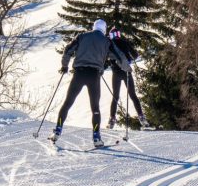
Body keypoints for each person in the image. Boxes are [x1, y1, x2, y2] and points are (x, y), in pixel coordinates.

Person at [51, 19, 130, 147]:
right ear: (104, 29)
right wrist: (126, 68)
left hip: (79, 74)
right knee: (95, 108)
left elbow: (68, 50)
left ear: (94, 27)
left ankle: (58, 131)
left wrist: (64, 65)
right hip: (94, 76)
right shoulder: (106, 41)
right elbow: (118, 55)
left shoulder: (82, 36)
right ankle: (96, 138)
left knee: (67, 103)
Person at [106, 27, 151, 129]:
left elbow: (105, 57)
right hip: (127, 72)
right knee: (133, 95)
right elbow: (135, 55)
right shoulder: (125, 42)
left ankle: (112, 119)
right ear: (119, 34)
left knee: (115, 97)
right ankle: (142, 118)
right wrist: (129, 59)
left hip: (116, 73)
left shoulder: (110, 44)